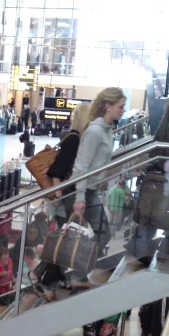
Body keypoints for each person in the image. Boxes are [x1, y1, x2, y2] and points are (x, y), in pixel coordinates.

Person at [68, 87, 125, 254]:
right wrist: (79, 197)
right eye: (120, 106)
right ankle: (79, 273)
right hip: (83, 191)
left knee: (75, 236)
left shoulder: (107, 131)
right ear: (108, 106)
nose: (123, 110)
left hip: (91, 190)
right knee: (100, 233)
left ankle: (78, 272)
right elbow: (82, 165)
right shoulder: (95, 131)